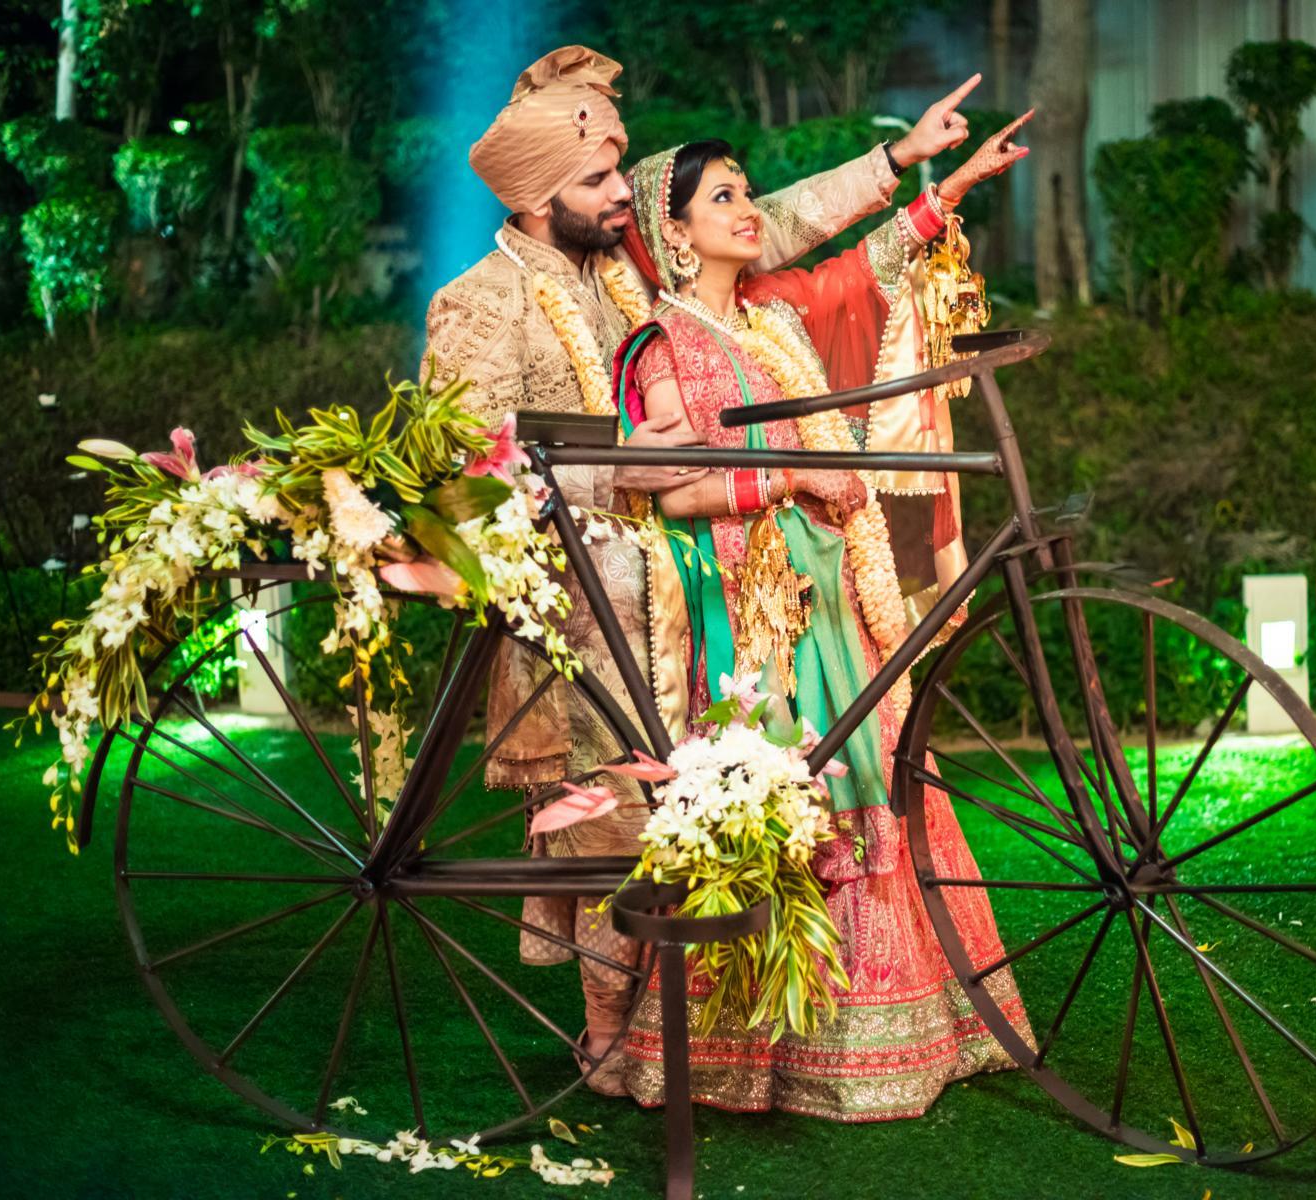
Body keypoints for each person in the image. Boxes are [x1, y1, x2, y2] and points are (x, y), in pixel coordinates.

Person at [421, 44, 987, 1094]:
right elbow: (466, 470)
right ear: (543, 196)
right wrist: (626, 469)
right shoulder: (481, 301)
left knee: (682, 822)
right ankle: (610, 1038)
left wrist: (898, 161)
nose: (619, 198)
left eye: (619, 176)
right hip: (582, 602)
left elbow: (773, 222)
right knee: (615, 825)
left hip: (682, 594)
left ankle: (668, 1030)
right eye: (600, 181)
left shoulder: (620, 284)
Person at [606, 115, 1036, 1121]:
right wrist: (791, 477)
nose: (747, 208)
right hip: (751, 620)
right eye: (721, 198)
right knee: (798, 799)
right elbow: (666, 493)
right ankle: (761, 1057)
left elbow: (863, 275)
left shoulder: (770, 319)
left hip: (831, 590)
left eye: (745, 190)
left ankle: (905, 1034)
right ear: (674, 234)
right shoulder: (660, 347)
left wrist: (949, 187)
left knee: (876, 776)